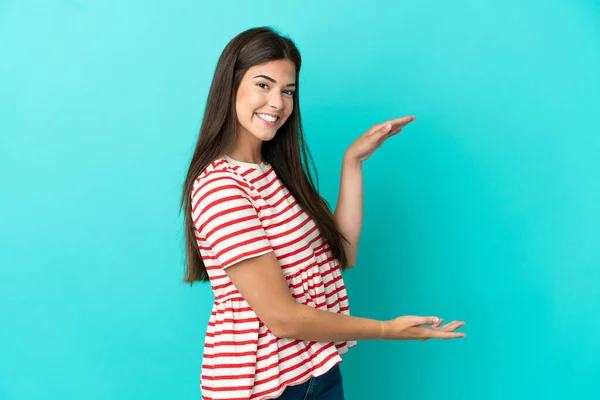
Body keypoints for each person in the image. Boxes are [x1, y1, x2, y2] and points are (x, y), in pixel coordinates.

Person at [180, 26, 467, 400]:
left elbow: (341, 257)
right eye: (263, 85)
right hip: (262, 388)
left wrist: (353, 162)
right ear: (229, 86)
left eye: (288, 91)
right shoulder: (221, 188)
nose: (278, 103)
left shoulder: (273, 174)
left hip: (317, 370)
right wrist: (386, 330)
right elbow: (282, 318)